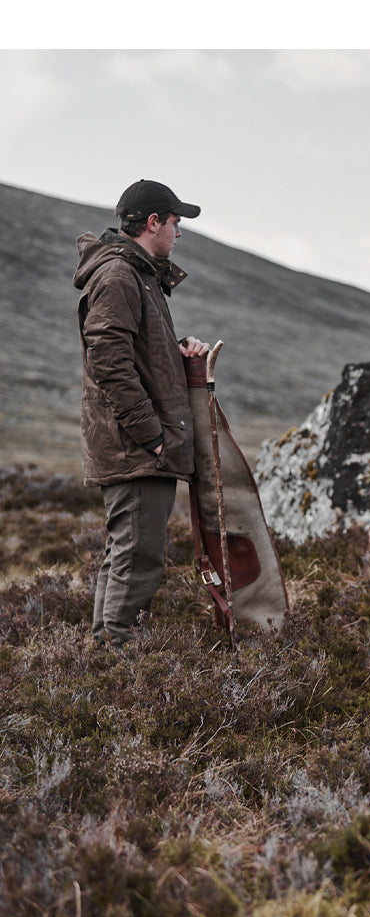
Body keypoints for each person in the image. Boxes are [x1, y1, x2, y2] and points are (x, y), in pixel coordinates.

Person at [74, 179, 210, 647]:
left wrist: (177, 350)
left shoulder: (138, 275)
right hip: (136, 448)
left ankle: (103, 654)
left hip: (136, 445)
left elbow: (133, 353)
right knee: (138, 556)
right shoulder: (119, 276)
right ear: (153, 223)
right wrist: (151, 434)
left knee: (125, 554)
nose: (178, 233)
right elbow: (108, 362)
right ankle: (119, 656)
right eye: (175, 223)